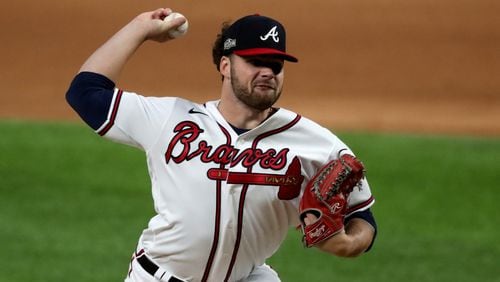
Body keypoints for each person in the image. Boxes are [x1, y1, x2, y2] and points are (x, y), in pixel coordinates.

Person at [66, 7, 377, 282]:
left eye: (276, 64)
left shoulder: (316, 144)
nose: (267, 71)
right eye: (256, 61)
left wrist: (349, 244)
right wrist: (141, 27)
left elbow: (362, 217)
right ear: (225, 66)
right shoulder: (171, 119)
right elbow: (85, 93)